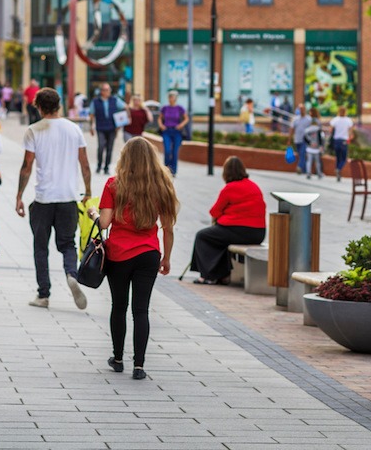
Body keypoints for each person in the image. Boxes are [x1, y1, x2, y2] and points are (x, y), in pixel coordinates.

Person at [86, 137, 177, 380]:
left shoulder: (114, 185)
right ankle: (139, 365)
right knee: (141, 310)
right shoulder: (162, 185)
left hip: (119, 254)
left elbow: (104, 223)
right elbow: (168, 227)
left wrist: (93, 212)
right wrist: (166, 258)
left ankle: (117, 358)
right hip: (149, 253)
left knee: (119, 306)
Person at [16, 88, 91, 310]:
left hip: (43, 199)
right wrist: (87, 191)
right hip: (68, 198)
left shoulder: (34, 130)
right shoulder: (74, 129)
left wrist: (19, 196)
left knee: (41, 247)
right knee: (68, 244)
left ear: (38, 106)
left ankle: (43, 294)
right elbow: (84, 164)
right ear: (59, 105)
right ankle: (72, 274)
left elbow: (27, 166)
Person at [189, 156, 266, 284]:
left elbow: (215, 212)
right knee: (221, 239)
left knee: (203, 236)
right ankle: (223, 276)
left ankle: (208, 276)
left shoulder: (230, 188)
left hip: (237, 230)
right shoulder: (254, 186)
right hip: (258, 233)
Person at [88, 82, 125, 175]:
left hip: (112, 128)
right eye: (107, 90)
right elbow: (91, 115)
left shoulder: (115, 99)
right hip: (100, 127)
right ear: (101, 91)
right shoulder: (95, 101)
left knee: (109, 148)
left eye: (109, 89)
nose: (109, 91)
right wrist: (91, 127)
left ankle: (106, 167)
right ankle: (99, 165)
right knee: (100, 147)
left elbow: (125, 107)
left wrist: (120, 123)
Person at [159, 90, 188, 177]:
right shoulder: (165, 108)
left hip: (177, 132)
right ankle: (166, 169)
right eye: (169, 97)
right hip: (166, 131)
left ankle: (173, 171)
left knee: (175, 152)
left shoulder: (180, 108)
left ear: (175, 98)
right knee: (167, 151)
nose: (170, 99)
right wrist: (161, 125)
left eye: (172, 97)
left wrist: (180, 125)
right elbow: (160, 118)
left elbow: (186, 118)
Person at [328, 106, 355, 181]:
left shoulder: (335, 120)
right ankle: (339, 168)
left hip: (336, 140)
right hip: (344, 140)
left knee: (338, 157)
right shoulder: (348, 120)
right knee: (344, 158)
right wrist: (349, 137)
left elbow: (330, 131)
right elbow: (350, 131)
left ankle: (337, 168)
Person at [304, 111, 325, 179]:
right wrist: (321, 146)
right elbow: (320, 138)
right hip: (316, 148)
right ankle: (319, 173)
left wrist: (310, 143)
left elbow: (305, 138)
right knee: (317, 162)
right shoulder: (318, 129)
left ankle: (308, 173)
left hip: (309, 148)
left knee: (309, 161)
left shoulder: (307, 130)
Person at [292, 105, 311, 175]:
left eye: (303, 109)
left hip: (305, 140)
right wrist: (289, 139)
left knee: (303, 154)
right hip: (297, 140)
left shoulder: (309, 119)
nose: (302, 110)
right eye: (300, 109)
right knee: (301, 155)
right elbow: (292, 129)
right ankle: (304, 170)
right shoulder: (295, 119)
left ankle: (299, 167)